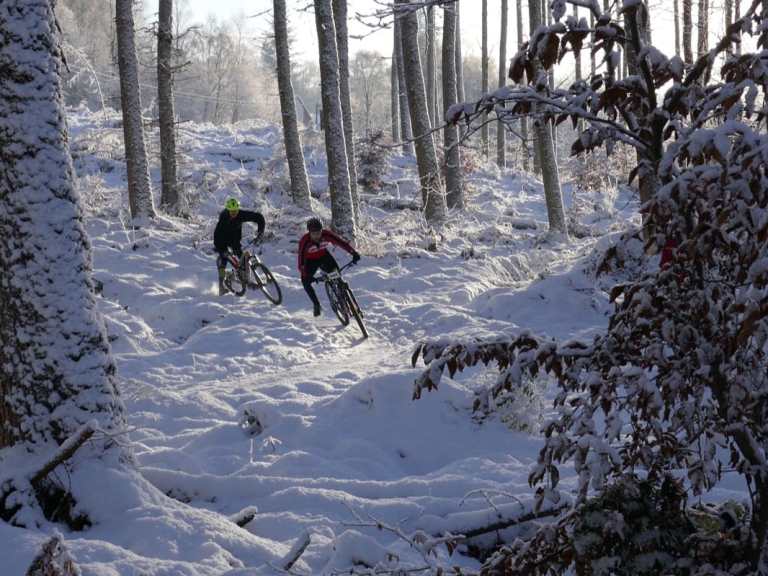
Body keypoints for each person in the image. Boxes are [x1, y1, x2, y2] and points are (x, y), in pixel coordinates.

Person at [298, 217, 360, 316]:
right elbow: (301, 262)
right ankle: (316, 304)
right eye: (314, 234)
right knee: (305, 282)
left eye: (319, 232)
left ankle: (342, 294)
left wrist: (353, 253)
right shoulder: (304, 241)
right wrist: (306, 275)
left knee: (337, 274)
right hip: (310, 261)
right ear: (309, 233)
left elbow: (341, 243)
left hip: (324, 257)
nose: (317, 236)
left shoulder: (326, 234)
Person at [214, 198, 265, 295]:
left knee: (243, 259)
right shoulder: (223, 219)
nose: (234, 213)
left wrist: (260, 231)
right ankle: (221, 285)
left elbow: (258, 217)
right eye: (232, 211)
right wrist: (222, 250)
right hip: (222, 241)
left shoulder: (241, 214)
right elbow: (216, 237)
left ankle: (247, 279)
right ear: (228, 210)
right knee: (223, 260)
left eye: (235, 211)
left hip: (234, 241)